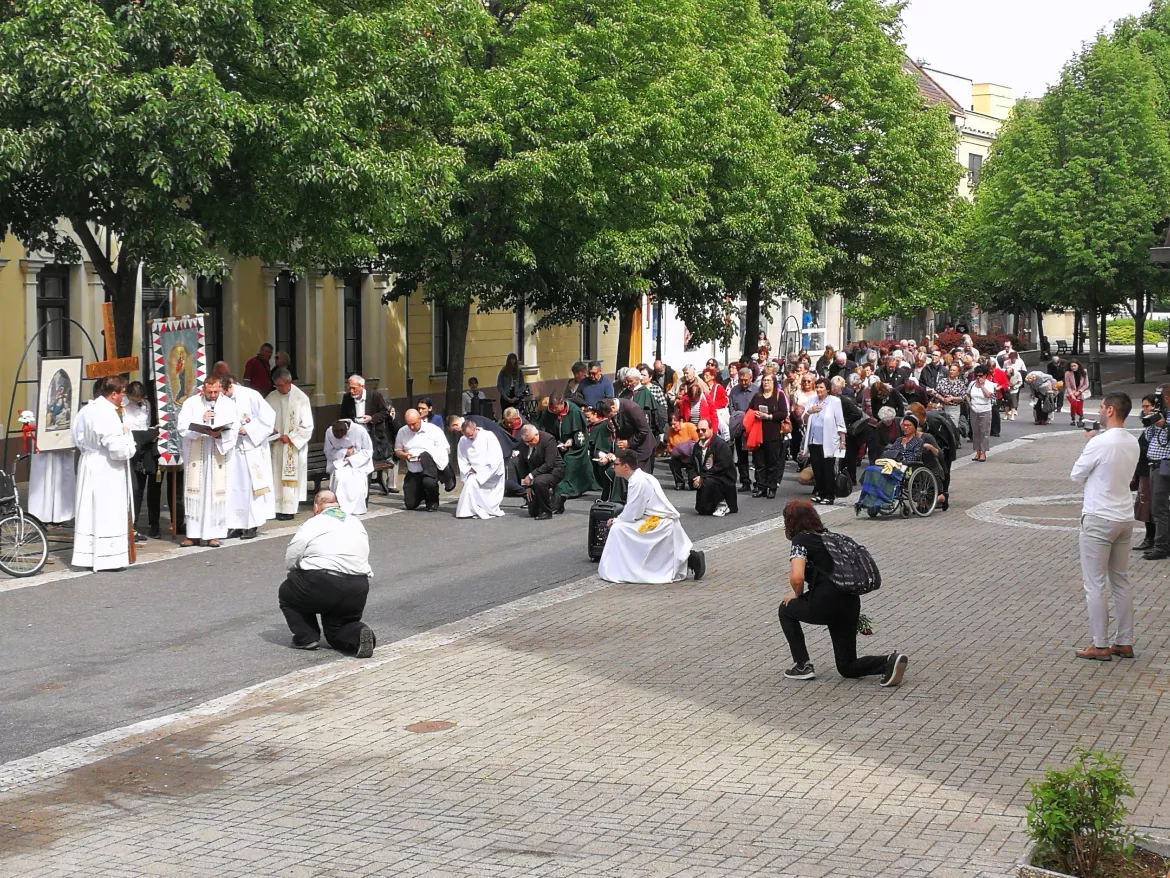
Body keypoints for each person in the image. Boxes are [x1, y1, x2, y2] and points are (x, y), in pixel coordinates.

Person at [777, 499, 909, 686]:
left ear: (790, 522)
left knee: (785, 609)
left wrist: (796, 594)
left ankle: (802, 665)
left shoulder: (801, 540)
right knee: (847, 666)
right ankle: (888, 661)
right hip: (849, 602)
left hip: (824, 603)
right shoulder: (832, 538)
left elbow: (797, 577)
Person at [1070, 392, 1140, 661]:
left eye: (1101, 407)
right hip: (1124, 514)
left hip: (1099, 515)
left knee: (1095, 583)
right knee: (1120, 579)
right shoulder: (1132, 441)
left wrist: (1088, 444)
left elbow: (1076, 474)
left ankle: (1100, 644)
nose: (1098, 411)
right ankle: (1124, 640)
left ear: (1110, 410)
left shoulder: (1100, 442)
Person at [279, 490, 376, 658]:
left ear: (316, 507)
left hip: (323, 581)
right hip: (358, 585)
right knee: (338, 629)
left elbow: (293, 554)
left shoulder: (314, 523)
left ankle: (306, 637)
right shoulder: (355, 522)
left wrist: (296, 571)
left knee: (288, 592)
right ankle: (360, 634)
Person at [598, 450, 705, 584]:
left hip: (658, 522)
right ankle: (690, 559)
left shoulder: (637, 482)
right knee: (621, 527)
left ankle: (622, 569)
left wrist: (616, 520)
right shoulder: (642, 477)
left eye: (616, 464)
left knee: (618, 529)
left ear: (626, 466)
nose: (613, 467)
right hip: (657, 519)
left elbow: (633, 512)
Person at [71, 376, 137, 571]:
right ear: (113, 394)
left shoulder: (86, 410)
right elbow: (117, 449)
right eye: (122, 392)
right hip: (106, 468)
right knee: (106, 510)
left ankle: (88, 556)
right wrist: (127, 437)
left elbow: (76, 437)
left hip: (88, 462)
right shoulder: (107, 413)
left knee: (90, 509)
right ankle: (108, 558)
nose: (124, 396)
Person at [177, 374, 238, 548]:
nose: (212, 395)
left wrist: (219, 434)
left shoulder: (228, 405)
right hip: (197, 455)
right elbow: (182, 426)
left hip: (217, 453)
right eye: (209, 391)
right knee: (195, 492)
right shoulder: (191, 403)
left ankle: (214, 534)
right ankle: (192, 534)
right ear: (203, 388)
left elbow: (233, 430)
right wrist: (201, 422)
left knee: (214, 494)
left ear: (220, 387)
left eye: (215, 391)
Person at [223, 376, 276, 539]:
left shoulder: (250, 395)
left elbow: (268, 418)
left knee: (252, 488)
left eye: (223, 392)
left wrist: (248, 429)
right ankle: (236, 524)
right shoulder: (221, 400)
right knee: (233, 487)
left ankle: (252, 524)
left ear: (230, 386)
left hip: (252, 448)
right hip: (233, 449)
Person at [267, 368, 314, 520]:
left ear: (288, 383)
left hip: (292, 447)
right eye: (276, 385)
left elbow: (307, 426)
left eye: (280, 385)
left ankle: (288, 509)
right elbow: (263, 418)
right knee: (274, 476)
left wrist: (291, 437)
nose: (278, 388)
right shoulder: (271, 397)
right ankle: (274, 508)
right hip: (275, 446)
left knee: (289, 478)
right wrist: (269, 430)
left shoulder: (301, 399)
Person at [535, 393, 597, 504]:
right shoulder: (549, 413)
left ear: (562, 403)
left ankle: (569, 488)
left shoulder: (574, 411)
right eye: (552, 407)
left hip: (575, 444)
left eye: (556, 408)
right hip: (557, 443)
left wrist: (572, 441)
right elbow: (547, 431)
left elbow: (580, 431)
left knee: (569, 459)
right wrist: (558, 442)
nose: (554, 410)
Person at [394, 409, 451, 512]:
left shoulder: (434, 430)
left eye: (413, 424)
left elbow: (446, 449)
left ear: (420, 418)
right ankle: (422, 494)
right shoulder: (402, 431)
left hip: (430, 466)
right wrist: (405, 455)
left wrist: (430, 455)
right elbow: (397, 450)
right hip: (413, 469)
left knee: (428, 482)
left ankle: (433, 501)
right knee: (410, 504)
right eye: (408, 424)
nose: (411, 427)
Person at [801, 377, 846, 506]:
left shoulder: (834, 401)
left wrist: (842, 441)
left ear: (827, 389)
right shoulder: (812, 401)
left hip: (828, 441)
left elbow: (840, 422)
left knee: (827, 469)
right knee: (817, 468)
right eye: (817, 387)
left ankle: (829, 494)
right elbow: (803, 419)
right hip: (814, 440)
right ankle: (820, 493)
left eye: (821, 387)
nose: (819, 390)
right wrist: (809, 412)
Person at [123, 381, 156, 539]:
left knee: (145, 488)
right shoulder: (121, 407)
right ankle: (129, 524)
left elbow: (146, 423)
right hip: (130, 446)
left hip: (145, 447)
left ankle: (144, 524)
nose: (138, 402)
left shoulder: (147, 404)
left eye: (140, 400)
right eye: (135, 400)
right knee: (133, 488)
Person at [1140, 387, 1170, 560]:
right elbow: (1149, 438)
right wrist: (1152, 421)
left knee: (1159, 508)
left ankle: (1161, 546)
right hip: (1155, 464)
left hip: (1164, 464)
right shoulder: (1158, 415)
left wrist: (1164, 424)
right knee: (1158, 507)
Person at [455, 417, 506, 519]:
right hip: (472, 471)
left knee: (472, 481)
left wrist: (481, 472)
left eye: (471, 435)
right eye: (466, 435)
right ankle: (468, 510)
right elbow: (462, 458)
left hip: (490, 472)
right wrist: (469, 469)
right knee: (471, 481)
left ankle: (470, 510)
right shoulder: (463, 440)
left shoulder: (488, 436)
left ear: (475, 429)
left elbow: (495, 459)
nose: (469, 438)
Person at [688, 419, 737, 517]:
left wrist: (702, 477)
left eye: (703, 430)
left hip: (723, 478)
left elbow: (722, 466)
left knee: (708, 481)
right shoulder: (697, 446)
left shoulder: (720, 444)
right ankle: (711, 504)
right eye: (698, 430)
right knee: (702, 510)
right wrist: (694, 477)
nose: (700, 432)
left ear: (711, 429)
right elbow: (691, 465)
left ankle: (723, 503)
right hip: (706, 477)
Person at [750, 372, 788, 499]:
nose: (765, 383)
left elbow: (784, 413)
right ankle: (760, 486)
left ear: (773, 383)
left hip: (773, 433)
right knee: (759, 462)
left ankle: (771, 487)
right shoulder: (757, 396)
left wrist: (769, 416)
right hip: (758, 433)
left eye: (768, 380)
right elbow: (749, 410)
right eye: (764, 380)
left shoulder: (779, 395)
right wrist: (755, 414)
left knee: (772, 462)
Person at [324, 419, 374, 515]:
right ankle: (341, 505)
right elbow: (328, 452)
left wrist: (351, 459)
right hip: (340, 462)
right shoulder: (329, 432)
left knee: (357, 480)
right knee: (339, 478)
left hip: (358, 463)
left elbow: (367, 451)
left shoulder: (359, 431)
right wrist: (344, 452)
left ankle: (357, 508)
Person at [518, 424, 564, 520]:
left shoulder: (548, 439)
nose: (528, 444)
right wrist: (527, 486)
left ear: (536, 434)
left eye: (530, 441)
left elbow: (549, 464)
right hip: (537, 472)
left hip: (554, 470)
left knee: (539, 482)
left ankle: (546, 511)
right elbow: (522, 465)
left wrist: (531, 476)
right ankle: (557, 501)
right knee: (533, 512)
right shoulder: (523, 444)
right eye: (526, 442)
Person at [596, 397, 655, 473]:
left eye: (608, 415)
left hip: (643, 448)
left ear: (613, 407)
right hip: (629, 448)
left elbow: (644, 430)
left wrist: (629, 442)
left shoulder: (632, 408)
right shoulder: (613, 410)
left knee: (640, 477)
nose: (608, 418)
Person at [727, 367, 760, 493]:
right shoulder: (734, 391)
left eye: (746, 380)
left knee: (757, 457)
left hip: (753, 426)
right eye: (741, 380)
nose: (744, 383)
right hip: (740, 426)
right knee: (742, 457)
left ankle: (758, 482)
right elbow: (731, 408)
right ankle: (745, 481)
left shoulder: (757, 390)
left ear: (751, 378)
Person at [1132, 394, 1158, 552]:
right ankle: (1150, 537)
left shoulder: (1160, 424)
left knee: (1155, 505)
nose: (1145, 409)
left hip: (1155, 468)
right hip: (1144, 469)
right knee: (1146, 504)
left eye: (1148, 406)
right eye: (1143, 406)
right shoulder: (1148, 425)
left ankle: (1155, 539)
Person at [967, 367, 996, 462]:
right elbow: (967, 394)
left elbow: (988, 395)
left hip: (985, 410)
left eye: (981, 375)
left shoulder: (989, 384)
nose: (978, 377)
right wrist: (969, 404)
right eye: (977, 375)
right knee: (976, 432)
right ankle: (977, 451)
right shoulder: (972, 384)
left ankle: (983, 452)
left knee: (984, 431)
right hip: (974, 410)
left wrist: (982, 385)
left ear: (985, 375)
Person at [666, 411, 699, 491]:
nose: (673, 426)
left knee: (693, 486)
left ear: (681, 421)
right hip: (679, 456)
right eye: (671, 424)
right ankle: (679, 482)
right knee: (672, 462)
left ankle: (694, 479)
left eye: (674, 424)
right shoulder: (670, 431)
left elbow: (698, 443)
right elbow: (669, 446)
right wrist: (675, 451)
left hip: (691, 457)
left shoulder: (690, 427)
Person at [1064, 360, 1089, 428]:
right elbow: (1068, 385)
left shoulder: (1084, 372)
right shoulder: (1068, 373)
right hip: (1071, 392)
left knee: (1079, 409)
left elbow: (1086, 384)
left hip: (1080, 393)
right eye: (1071, 366)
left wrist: (1079, 391)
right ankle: (1073, 418)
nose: (1073, 367)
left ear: (1078, 365)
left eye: (1074, 366)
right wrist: (1072, 394)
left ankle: (1081, 415)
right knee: (1073, 403)